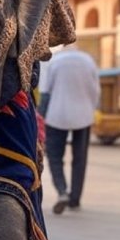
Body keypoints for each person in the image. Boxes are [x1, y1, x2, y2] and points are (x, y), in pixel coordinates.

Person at [38, 44, 100, 214]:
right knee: (80, 158)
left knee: (55, 156)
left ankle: (62, 191)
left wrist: (41, 116)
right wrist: (91, 110)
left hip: (58, 115)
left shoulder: (55, 61)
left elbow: (45, 92)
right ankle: (75, 198)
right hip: (84, 116)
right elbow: (96, 91)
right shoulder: (88, 61)